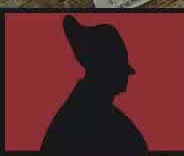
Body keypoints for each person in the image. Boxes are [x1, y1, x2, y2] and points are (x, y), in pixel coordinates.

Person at [41, 15, 150, 153]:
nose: (126, 77)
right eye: (119, 68)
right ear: (104, 70)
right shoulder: (81, 119)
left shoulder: (91, 111)